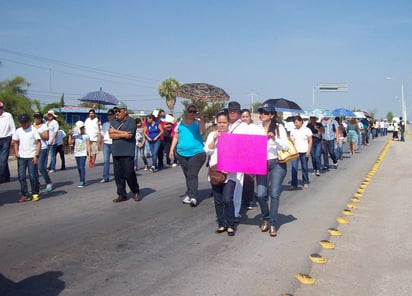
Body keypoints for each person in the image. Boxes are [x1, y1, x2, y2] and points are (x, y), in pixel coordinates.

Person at [255, 104, 289, 237]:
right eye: (261, 112)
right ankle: (266, 217)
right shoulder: (256, 127)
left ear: (272, 115)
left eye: (266, 112)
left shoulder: (279, 128)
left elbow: (285, 146)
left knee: (274, 194)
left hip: (277, 163)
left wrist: (274, 138)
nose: (262, 114)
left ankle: (273, 223)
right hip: (260, 163)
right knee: (261, 194)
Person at [205, 111, 236, 236]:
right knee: (218, 201)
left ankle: (230, 224)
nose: (222, 125)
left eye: (224, 122)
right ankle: (221, 223)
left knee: (227, 199)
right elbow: (207, 151)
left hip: (231, 174)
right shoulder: (212, 134)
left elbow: (239, 155)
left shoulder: (234, 136)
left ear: (228, 123)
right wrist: (214, 139)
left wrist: (230, 168)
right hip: (216, 173)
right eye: (220, 122)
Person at [169, 104, 206, 207]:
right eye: (191, 111)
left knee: (192, 174)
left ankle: (193, 196)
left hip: (197, 153)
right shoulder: (180, 124)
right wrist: (171, 150)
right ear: (186, 112)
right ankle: (189, 193)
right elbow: (176, 137)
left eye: (194, 112)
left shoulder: (198, 123)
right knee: (187, 175)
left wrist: (202, 120)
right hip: (181, 154)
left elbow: (202, 133)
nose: (192, 113)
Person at [109, 102, 141, 203]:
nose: (117, 113)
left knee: (129, 173)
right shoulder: (114, 122)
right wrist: (122, 133)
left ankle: (135, 191)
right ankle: (122, 194)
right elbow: (111, 135)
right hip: (116, 152)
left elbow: (129, 136)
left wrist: (116, 132)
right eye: (116, 111)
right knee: (118, 175)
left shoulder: (131, 121)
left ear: (125, 111)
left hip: (127, 152)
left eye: (119, 111)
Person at [227, 102, 250, 220]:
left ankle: (235, 211)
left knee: (237, 186)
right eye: (231, 110)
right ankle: (226, 209)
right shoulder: (224, 124)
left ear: (239, 112)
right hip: (225, 159)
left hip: (238, 159)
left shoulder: (244, 127)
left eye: (235, 111)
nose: (232, 112)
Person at [12, 114, 41, 202]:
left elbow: (38, 143)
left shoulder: (33, 130)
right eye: (21, 122)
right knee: (21, 177)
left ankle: (35, 193)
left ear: (28, 121)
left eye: (25, 122)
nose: (23, 124)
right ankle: (25, 194)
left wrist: (36, 155)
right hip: (22, 157)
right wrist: (16, 152)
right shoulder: (18, 131)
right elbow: (15, 142)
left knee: (32, 176)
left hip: (31, 156)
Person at [289, 115, 312, 190]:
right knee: (294, 168)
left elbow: (310, 140)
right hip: (295, 152)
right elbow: (291, 140)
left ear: (301, 121)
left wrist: (308, 151)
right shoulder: (293, 130)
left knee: (304, 167)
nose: (295, 124)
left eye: (296, 122)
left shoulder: (306, 130)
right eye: (294, 122)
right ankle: (294, 184)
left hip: (304, 151)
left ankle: (305, 181)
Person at [33, 112, 53, 192]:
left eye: (37, 118)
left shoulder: (44, 126)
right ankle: (36, 184)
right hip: (33, 149)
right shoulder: (32, 126)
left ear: (41, 118)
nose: (36, 119)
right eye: (35, 117)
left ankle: (48, 182)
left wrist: (38, 133)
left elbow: (46, 137)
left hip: (43, 148)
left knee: (40, 167)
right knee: (34, 168)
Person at [68, 121, 90, 188]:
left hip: (83, 153)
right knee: (79, 168)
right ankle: (81, 179)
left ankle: (82, 181)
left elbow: (88, 145)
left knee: (82, 167)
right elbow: (70, 143)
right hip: (77, 153)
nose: (82, 129)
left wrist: (89, 154)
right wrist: (69, 135)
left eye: (82, 128)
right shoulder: (75, 136)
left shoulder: (86, 136)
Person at [0, 101, 16, 183]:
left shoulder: (7, 115)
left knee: (3, 158)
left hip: (6, 138)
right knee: (2, 159)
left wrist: (13, 138)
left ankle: (1, 176)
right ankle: (6, 176)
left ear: (2, 108)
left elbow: (12, 127)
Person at [100, 109, 115, 182]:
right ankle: (106, 177)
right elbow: (102, 133)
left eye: (111, 114)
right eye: (108, 115)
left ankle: (118, 175)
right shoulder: (105, 124)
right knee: (106, 161)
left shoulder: (116, 124)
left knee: (116, 160)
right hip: (106, 143)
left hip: (114, 143)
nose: (109, 116)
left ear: (114, 115)